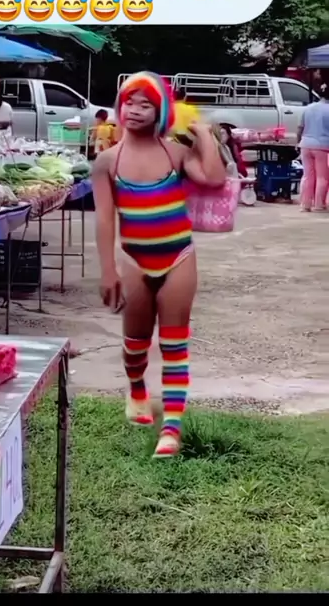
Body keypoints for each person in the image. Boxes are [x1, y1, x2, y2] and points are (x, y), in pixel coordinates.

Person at [92, 72, 226, 458]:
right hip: (135, 260)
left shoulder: (175, 154)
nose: (134, 110)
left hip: (178, 257)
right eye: (129, 102)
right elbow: (105, 220)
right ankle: (136, 388)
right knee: (135, 342)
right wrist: (108, 270)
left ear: (161, 110)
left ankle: (172, 427)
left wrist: (204, 135)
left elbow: (214, 179)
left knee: (174, 343)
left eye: (145, 104)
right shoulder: (107, 161)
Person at [297, 83, 329, 212]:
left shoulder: (308, 108)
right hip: (322, 146)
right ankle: (319, 205)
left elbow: (300, 128)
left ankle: (305, 205)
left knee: (307, 176)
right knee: (322, 177)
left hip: (305, 144)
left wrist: (298, 142)